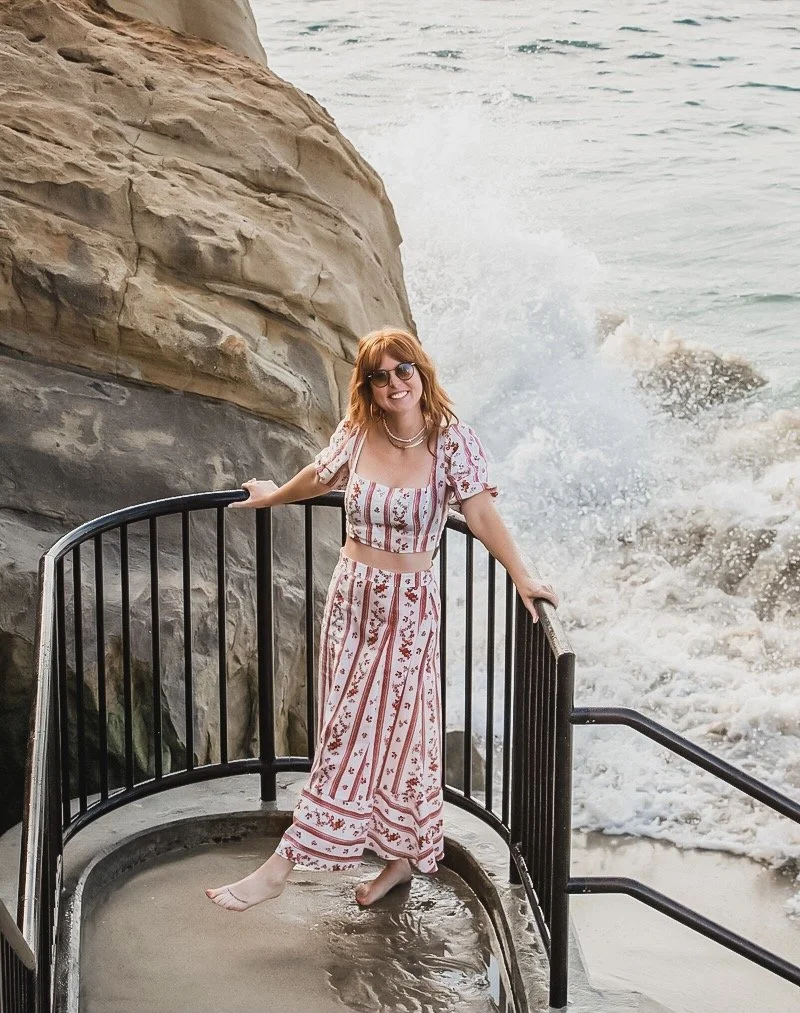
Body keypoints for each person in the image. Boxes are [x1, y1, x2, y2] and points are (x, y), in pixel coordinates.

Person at [206, 326, 558, 911]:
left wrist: (522, 576)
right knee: (360, 729)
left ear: (421, 373)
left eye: (403, 371)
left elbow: (479, 512)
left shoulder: (452, 442)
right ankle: (401, 857)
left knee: (375, 734)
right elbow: (320, 476)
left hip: (408, 610)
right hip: (351, 600)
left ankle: (283, 866)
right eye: (381, 375)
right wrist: (272, 497)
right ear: (367, 387)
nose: (394, 383)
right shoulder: (360, 430)